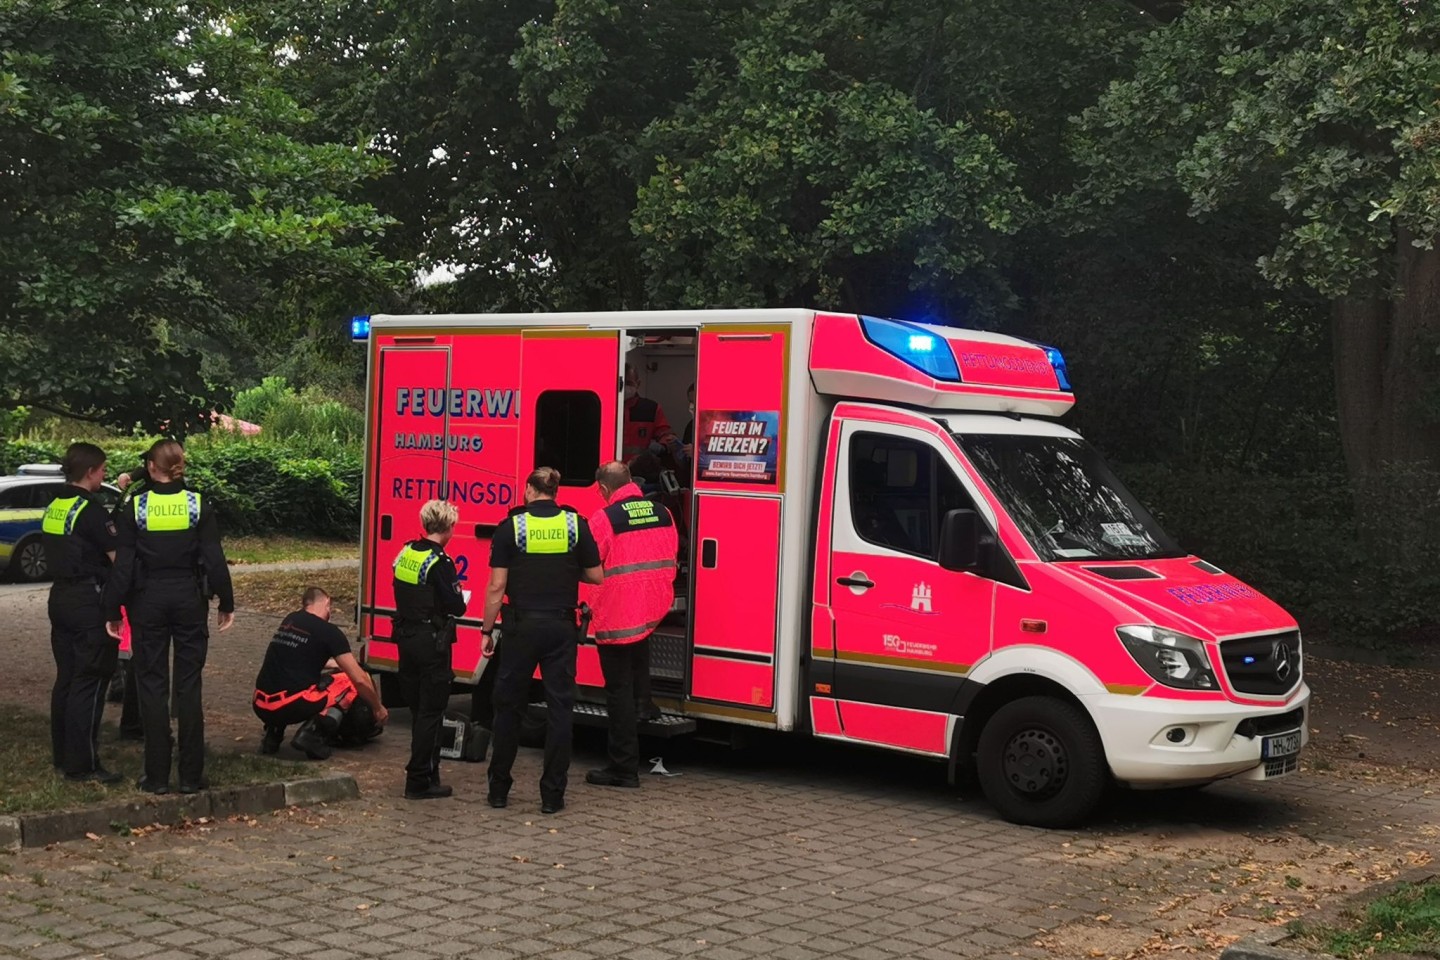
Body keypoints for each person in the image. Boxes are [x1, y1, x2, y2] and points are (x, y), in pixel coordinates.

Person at [104, 440, 234, 795]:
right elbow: (214, 557)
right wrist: (227, 600)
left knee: (151, 684)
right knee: (189, 685)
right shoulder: (197, 503)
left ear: (150, 467)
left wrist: (112, 608)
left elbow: (125, 564)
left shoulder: (136, 505)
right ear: (179, 466)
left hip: (148, 600)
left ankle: (157, 776)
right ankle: (192, 776)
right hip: (189, 599)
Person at [481, 467, 603, 815]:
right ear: (556, 491)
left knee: (508, 707)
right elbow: (596, 575)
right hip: (561, 628)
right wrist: (565, 569)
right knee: (560, 710)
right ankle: (553, 795)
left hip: (521, 628)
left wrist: (486, 631)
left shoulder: (512, 527)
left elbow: (496, 587)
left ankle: (499, 790)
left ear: (529, 490)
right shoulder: (575, 525)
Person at [585, 462, 678, 789]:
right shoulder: (663, 512)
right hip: (650, 610)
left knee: (617, 692)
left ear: (605, 489)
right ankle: (645, 706)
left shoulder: (605, 518)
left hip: (616, 614)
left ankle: (623, 768)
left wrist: (584, 607)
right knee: (639, 668)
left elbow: (590, 566)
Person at [43, 443, 121, 783]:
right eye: (103, 470)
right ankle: (84, 764)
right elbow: (117, 558)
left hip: (60, 596)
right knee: (89, 682)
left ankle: (62, 755)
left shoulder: (56, 505)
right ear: (90, 471)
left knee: (67, 678)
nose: (105, 475)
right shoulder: (91, 510)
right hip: (89, 600)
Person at [253, 587, 388, 759]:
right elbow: (360, 679)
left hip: (261, 705)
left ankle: (273, 734)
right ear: (327, 603)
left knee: (284, 679)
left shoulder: (290, 620)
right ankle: (313, 734)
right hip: (291, 706)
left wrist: (332, 663)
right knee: (347, 682)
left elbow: (301, 656)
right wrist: (378, 708)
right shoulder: (329, 632)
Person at [391, 499, 467, 800]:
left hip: (406, 638)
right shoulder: (441, 562)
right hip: (431, 642)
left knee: (417, 710)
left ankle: (428, 773)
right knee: (430, 714)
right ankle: (420, 780)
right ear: (448, 528)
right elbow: (457, 605)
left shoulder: (406, 552)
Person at [622, 363, 676, 461]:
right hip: (610, 470)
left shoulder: (651, 408)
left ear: (638, 384)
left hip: (641, 468)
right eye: (622, 382)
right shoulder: (603, 406)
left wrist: (662, 445)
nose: (624, 387)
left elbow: (666, 434)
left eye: (629, 383)